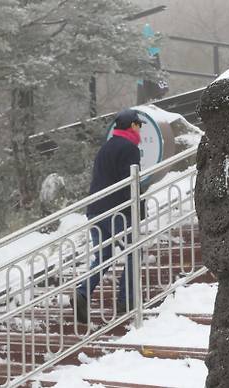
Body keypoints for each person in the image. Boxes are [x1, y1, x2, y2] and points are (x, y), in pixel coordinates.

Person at [75, 108, 143, 324]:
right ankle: (126, 300)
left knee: (104, 256)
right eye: (138, 125)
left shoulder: (106, 147)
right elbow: (129, 183)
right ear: (132, 125)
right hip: (116, 212)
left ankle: (83, 292)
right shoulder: (129, 148)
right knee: (133, 252)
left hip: (95, 209)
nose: (140, 129)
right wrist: (136, 210)